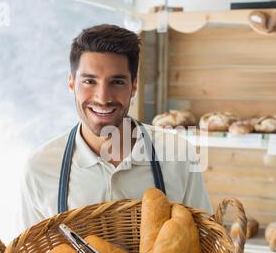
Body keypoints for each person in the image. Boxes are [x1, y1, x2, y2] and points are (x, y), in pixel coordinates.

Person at [19, 24, 212, 229]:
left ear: (134, 86)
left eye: (117, 82)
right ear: (71, 83)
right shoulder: (40, 168)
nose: (103, 98)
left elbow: (206, 243)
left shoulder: (177, 155)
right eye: (89, 81)